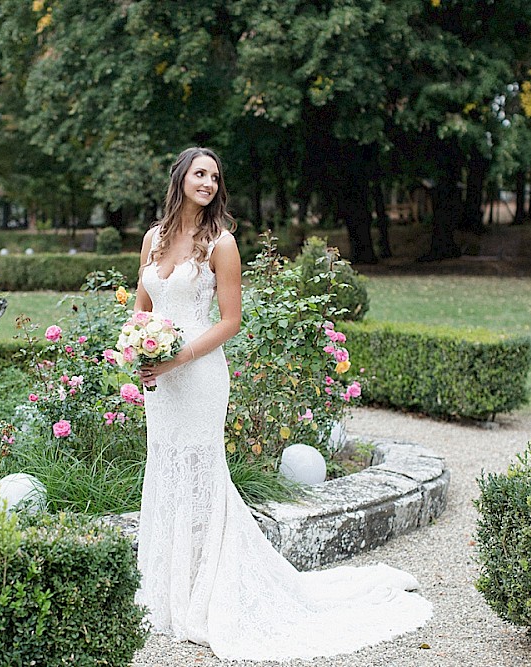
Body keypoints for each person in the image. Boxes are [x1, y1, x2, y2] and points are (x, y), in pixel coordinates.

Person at [133, 147, 432, 661]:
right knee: (164, 465)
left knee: (202, 469)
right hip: (160, 381)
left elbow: (230, 321)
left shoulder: (221, 244)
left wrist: (176, 357)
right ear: (180, 177)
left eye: (215, 176)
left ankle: (208, 591)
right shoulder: (153, 240)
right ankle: (165, 587)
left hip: (198, 373)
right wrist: (139, 350)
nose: (207, 182)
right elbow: (143, 308)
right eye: (199, 173)